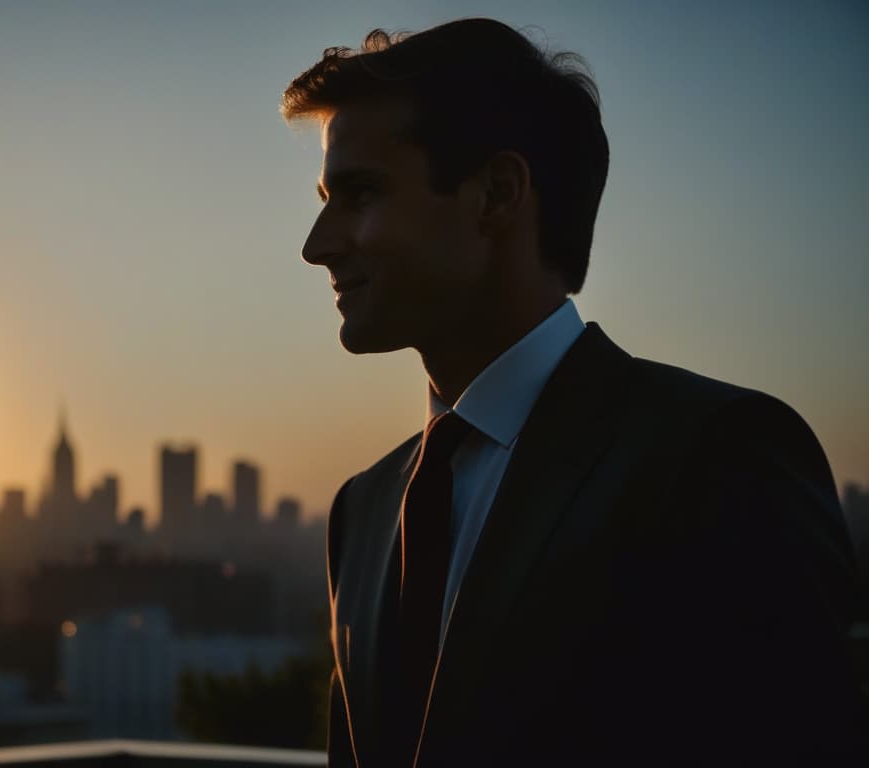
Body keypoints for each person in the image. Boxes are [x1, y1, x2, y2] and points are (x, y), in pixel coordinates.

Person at [280, 18, 863, 766]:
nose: (315, 245)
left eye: (359, 194)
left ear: (496, 193)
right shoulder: (361, 512)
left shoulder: (718, 456)